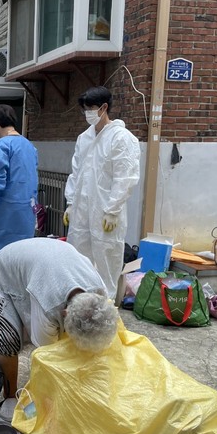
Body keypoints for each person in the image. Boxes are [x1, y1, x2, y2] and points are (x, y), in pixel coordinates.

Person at [0, 237, 119, 421]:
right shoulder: (48, 307)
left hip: (46, 260)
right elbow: (45, 357)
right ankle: (9, 397)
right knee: (10, 339)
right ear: (64, 314)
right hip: (6, 267)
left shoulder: (100, 291)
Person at [64, 86, 140, 299]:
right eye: (85, 109)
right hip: (81, 209)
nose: (87, 113)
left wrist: (113, 210)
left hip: (106, 211)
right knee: (78, 257)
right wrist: (71, 203)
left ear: (104, 108)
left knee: (107, 257)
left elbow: (125, 177)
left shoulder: (121, 138)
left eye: (91, 108)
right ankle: (79, 301)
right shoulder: (84, 138)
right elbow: (76, 173)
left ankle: (105, 305)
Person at [0, 104, 39, 275]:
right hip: (26, 208)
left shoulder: (0, 146)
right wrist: (35, 208)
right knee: (22, 252)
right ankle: (18, 287)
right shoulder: (29, 146)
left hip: (4, 208)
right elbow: (33, 180)